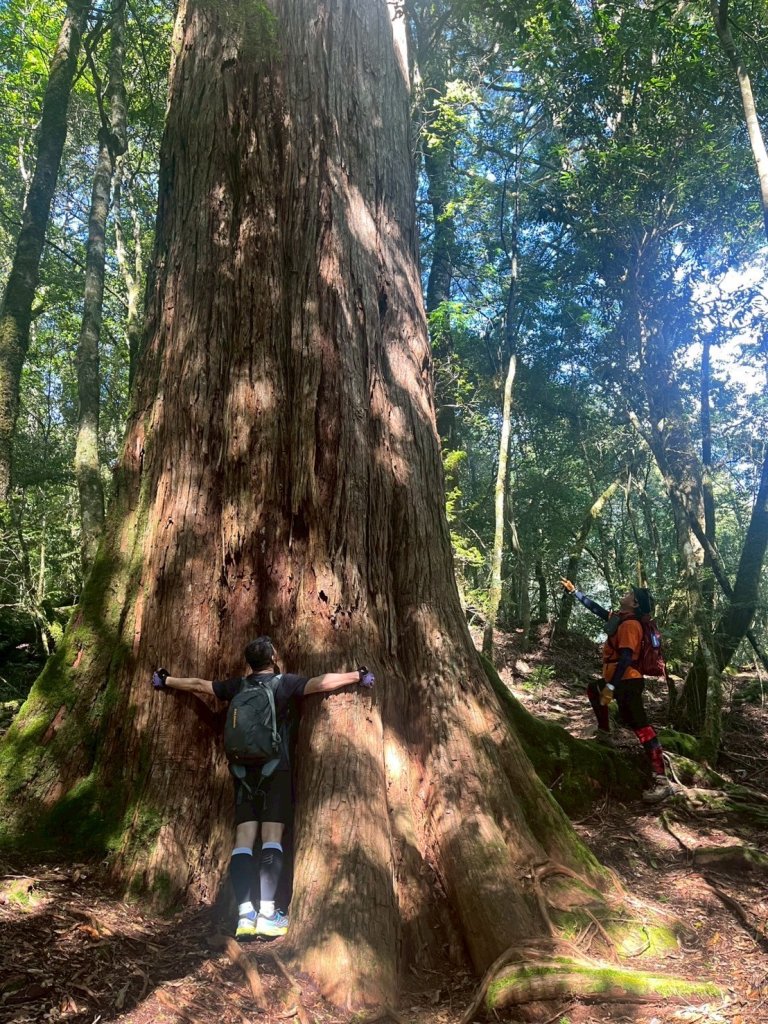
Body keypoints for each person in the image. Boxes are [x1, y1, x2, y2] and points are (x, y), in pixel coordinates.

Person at [151, 636, 375, 938]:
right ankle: (268, 913)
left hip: (242, 772)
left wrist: (167, 680)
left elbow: (200, 685)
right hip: (275, 769)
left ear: (250, 663)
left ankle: (245, 915)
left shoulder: (236, 687)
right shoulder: (284, 684)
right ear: (274, 656)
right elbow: (320, 683)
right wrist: (356, 676)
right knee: (271, 838)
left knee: (244, 839)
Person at [560, 579, 675, 804]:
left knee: (641, 727)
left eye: (630, 594)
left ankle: (662, 780)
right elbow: (597, 610)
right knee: (594, 690)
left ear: (634, 604)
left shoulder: (631, 626)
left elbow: (625, 657)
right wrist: (575, 592)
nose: (625, 593)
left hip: (628, 682)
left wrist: (611, 687)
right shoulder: (620, 619)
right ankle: (605, 734)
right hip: (619, 680)